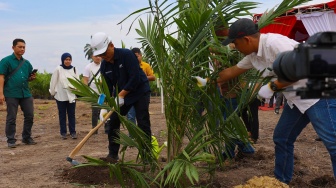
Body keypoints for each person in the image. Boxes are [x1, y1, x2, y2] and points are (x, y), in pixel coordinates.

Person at [194, 18, 336, 184]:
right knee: (282, 137)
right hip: (295, 100)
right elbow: (231, 72)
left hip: (317, 94)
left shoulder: (276, 44)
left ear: (246, 39)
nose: (234, 48)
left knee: (333, 143)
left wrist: (272, 87)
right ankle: (280, 182)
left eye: (236, 43)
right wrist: (205, 81)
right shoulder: (253, 56)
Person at [90, 32, 152, 162]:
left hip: (139, 91)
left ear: (111, 45)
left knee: (142, 121)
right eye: (100, 55)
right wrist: (104, 105)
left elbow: (135, 78)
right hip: (122, 95)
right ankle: (112, 155)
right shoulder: (104, 65)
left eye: (105, 54)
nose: (103, 57)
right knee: (113, 121)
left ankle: (147, 156)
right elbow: (107, 86)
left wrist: (121, 95)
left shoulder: (127, 55)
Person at [0, 38, 37, 148]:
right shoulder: (6, 61)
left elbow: (28, 77)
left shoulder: (26, 63)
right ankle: (11, 140)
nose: (22, 49)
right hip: (11, 93)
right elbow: (1, 77)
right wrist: (1, 93)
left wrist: (32, 78)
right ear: (13, 47)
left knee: (30, 115)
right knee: (11, 117)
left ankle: (26, 137)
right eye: (20, 47)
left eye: (24, 47)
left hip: (25, 93)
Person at [49, 53, 79, 140]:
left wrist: (77, 92)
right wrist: (53, 92)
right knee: (62, 114)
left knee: (71, 114)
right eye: (66, 59)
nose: (68, 61)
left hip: (71, 95)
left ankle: (73, 132)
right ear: (63, 60)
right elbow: (53, 81)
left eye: (69, 59)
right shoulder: (58, 69)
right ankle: (63, 133)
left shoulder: (74, 69)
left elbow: (77, 81)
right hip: (61, 95)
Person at [126, 47, 155, 136]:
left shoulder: (145, 66)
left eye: (137, 56)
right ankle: (133, 135)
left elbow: (153, 77)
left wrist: (141, 77)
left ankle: (143, 135)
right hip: (131, 93)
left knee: (142, 115)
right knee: (130, 115)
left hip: (143, 94)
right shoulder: (128, 67)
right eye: (134, 56)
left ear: (141, 56)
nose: (136, 58)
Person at [82, 55, 102, 134]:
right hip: (93, 93)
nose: (98, 57)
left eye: (99, 56)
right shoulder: (88, 67)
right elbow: (85, 80)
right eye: (96, 56)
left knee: (102, 110)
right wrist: (87, 92)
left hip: (102, 94)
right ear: (92, 57)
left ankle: (106, 128)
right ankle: (94, 129)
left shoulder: (104, 65)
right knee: (95, 111)